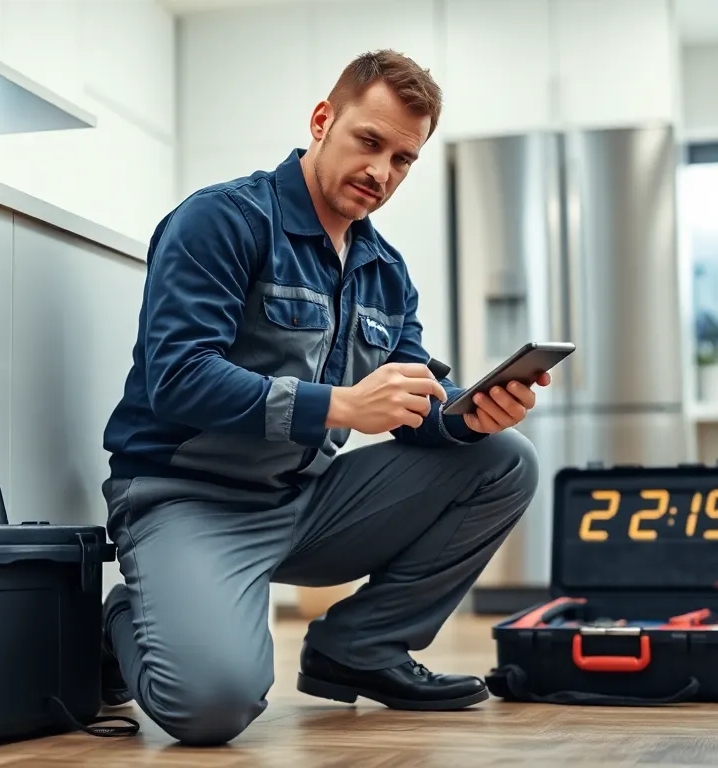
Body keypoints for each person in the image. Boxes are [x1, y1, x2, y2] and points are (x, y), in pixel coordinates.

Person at [97, 49, 549, 747]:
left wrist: (466, 416)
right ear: (322, 121)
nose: (380, 172)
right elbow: (180, 377)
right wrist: (336, 406)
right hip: (186, 500)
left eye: (402, 159)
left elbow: (413, 406)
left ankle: (362, 648)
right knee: (211, 708)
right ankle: (127, 616)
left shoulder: (386, 274)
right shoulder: (221, 220)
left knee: (505, 458)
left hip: (304, 502)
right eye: (369, 142)